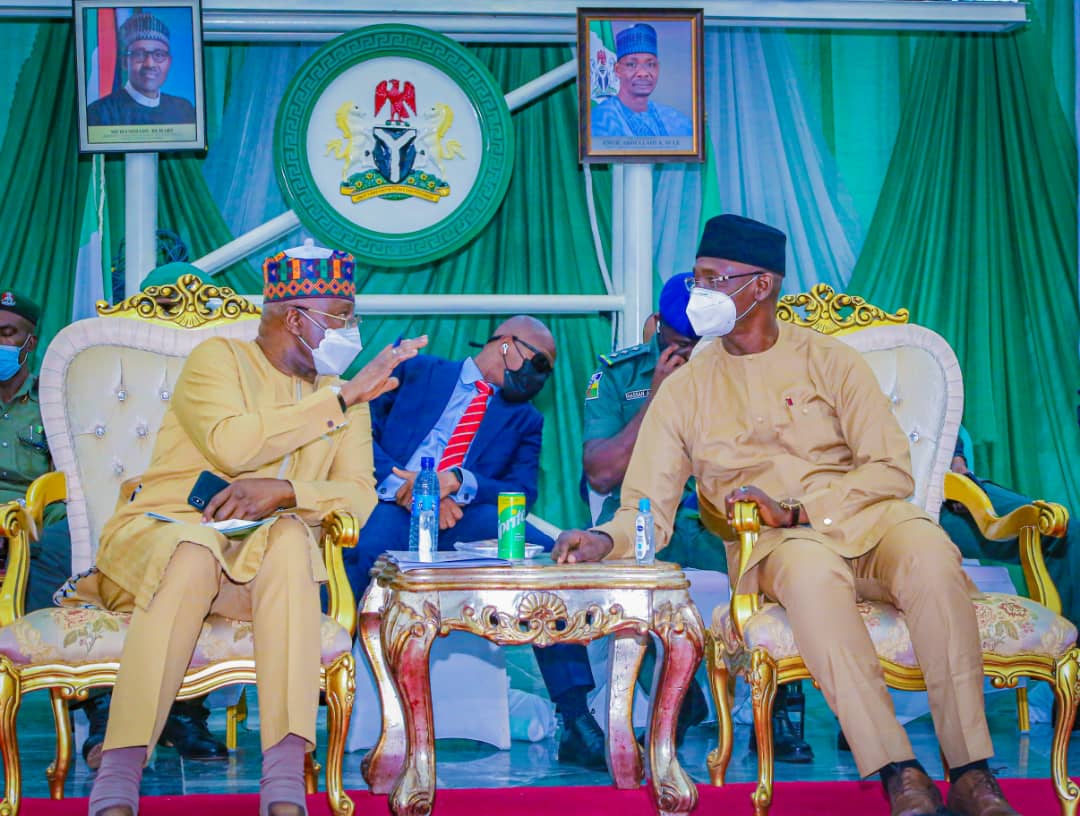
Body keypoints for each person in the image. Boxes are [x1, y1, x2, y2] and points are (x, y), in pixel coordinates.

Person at [555, 214, 1021, 816]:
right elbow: (646, 507)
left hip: (868, 519)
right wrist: (602, 539)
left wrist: (802, 509)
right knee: (810, 574)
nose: (701, 293)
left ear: (762, 286)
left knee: (932, 555)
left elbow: (891, 468)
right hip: (776, 548)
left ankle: (971, 772)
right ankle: (899, 770)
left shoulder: (831, 360)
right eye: (698, 278)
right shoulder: (684, 389)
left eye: (715, 278)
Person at [83, 243, 427, 816]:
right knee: (195, 550)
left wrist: (289, 492)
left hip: (255, 561)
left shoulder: (346, 396)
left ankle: (284, 775)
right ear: (295, 318)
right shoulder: (218, 359)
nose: (352, 331)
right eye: (342, 316)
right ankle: (120, 771)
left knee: (290, 539)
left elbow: (359, 495)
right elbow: (233, 446)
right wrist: (339, 399)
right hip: (165, 533)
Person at [345, 316, 606, 770]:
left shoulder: (525, 419)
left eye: (547, 372)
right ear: (506, 344)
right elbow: (358, 432)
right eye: (538, 363)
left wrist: (458, 481)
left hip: (467, 516)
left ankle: (575, 716)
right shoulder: (419, 372)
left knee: (544, 560)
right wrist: (412, 488)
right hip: (389, 502)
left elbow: (521, 491)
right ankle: (325, 685)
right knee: (362, 547)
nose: (540, 377)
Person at [581, 272, 813, 762]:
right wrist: (659, 398)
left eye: (703, 340)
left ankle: (780, 707)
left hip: (720, 515)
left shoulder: (742, 365)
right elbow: (600, 474)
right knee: (628, 575)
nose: (694, 351)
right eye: (683, 342)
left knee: (782, 556)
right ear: (658, 327)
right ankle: (679, 695)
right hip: (650, 515)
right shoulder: (619, 375)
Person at [942, 429, 1078, 627]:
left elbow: (943, 424)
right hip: (909, 503)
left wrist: (959, 467)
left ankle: (1066, 641)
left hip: (949, 486)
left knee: (1063, 531)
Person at [0, 290, 71, 613]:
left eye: (7, 333)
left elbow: (64, 480)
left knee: (65, 535)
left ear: (30, 344)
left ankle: (31, 635)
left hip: (35, 512)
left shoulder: (53, 400)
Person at [85, 13, 196, 128]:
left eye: (159, 55)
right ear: (124, 62)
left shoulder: (183, 110)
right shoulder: (99, 113)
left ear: (169, 62)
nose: (150, 64)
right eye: (139, 54)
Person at [590, 23, 692, 139]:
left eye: (650, 64)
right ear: (617, 70)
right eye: (631, 64)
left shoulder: (677, 121)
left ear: (658, 68)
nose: (643, 73)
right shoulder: (598, 120)